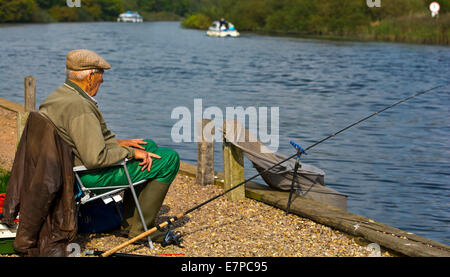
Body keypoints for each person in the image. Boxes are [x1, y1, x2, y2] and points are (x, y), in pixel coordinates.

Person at [39, 49, 180, 244]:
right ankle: (140, 230)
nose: (102, 81)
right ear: (90, 76)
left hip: (71, 166)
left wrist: (119, 143)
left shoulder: (59, 97)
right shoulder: (80, 108)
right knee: (169, 159)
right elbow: (94, 158)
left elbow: (78, 137)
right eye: (100, 75)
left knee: (149, 145)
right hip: (89, 177)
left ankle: (129, 222)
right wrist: (130, 153)